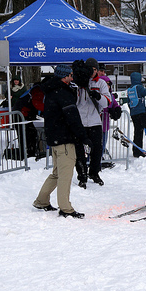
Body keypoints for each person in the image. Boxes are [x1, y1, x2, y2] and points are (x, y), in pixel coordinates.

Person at [33, 64, 91, 218]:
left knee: (57, 173)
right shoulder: (63, 93)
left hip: (55, 138)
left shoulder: (51, 91)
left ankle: (41, 201)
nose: (72, 78)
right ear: (64, 77)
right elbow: (73, 118)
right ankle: (66, 208)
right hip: (65, 140)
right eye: (70, 75)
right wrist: (83, 136)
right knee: (65, 175)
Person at [72, 58, 111, 188]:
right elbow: (74, 102)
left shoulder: (101, 83)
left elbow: (107, 103)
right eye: (90, 69)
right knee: (79, 151)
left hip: (95, 121)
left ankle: (94, 173)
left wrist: (98, 96)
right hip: (80, 122)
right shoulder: (78, 82)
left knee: (97, 150)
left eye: (94, 69)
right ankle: (82, 175)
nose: (92, 72)